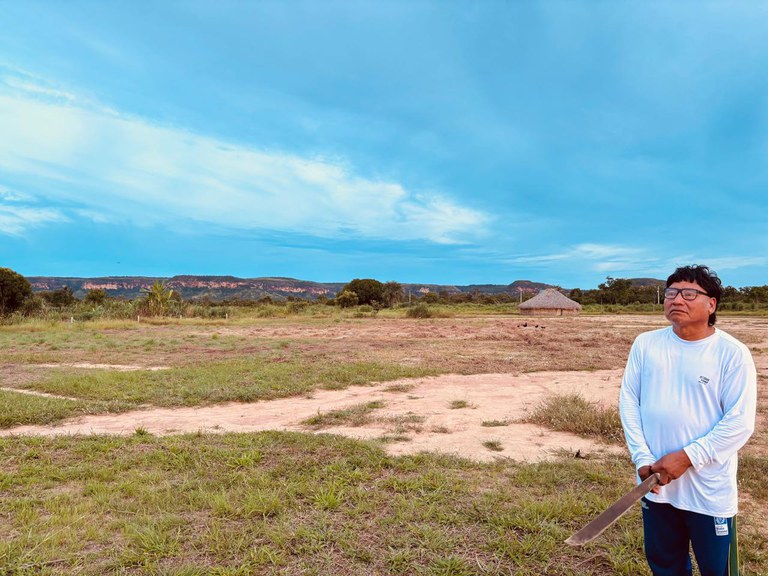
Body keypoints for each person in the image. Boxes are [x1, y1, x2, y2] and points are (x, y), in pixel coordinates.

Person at [619, 265, 757, 576]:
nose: (677, 299)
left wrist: (686, 457)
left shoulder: (732, 353)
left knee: (716, 569)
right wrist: (642, 457)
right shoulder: (646, 344)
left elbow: (739, 422)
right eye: (671, 292)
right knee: (665, 565)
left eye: (689, 293)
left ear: (711, 304)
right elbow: (629, 402)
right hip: (656, 484)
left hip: (707, 489)